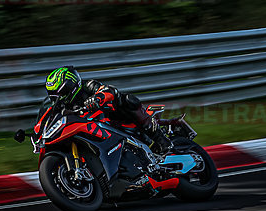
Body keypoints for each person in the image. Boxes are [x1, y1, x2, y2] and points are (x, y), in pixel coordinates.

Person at [44, 66, 173, 154]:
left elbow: (110, 90)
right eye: (54, 95)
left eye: (61, 93)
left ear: (71, 85)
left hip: (115, 118)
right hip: (94, 131)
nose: (59, 98)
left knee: (128, 99)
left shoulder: (88, 86)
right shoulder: (64, 106)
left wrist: (97, 98)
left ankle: (162, 140)